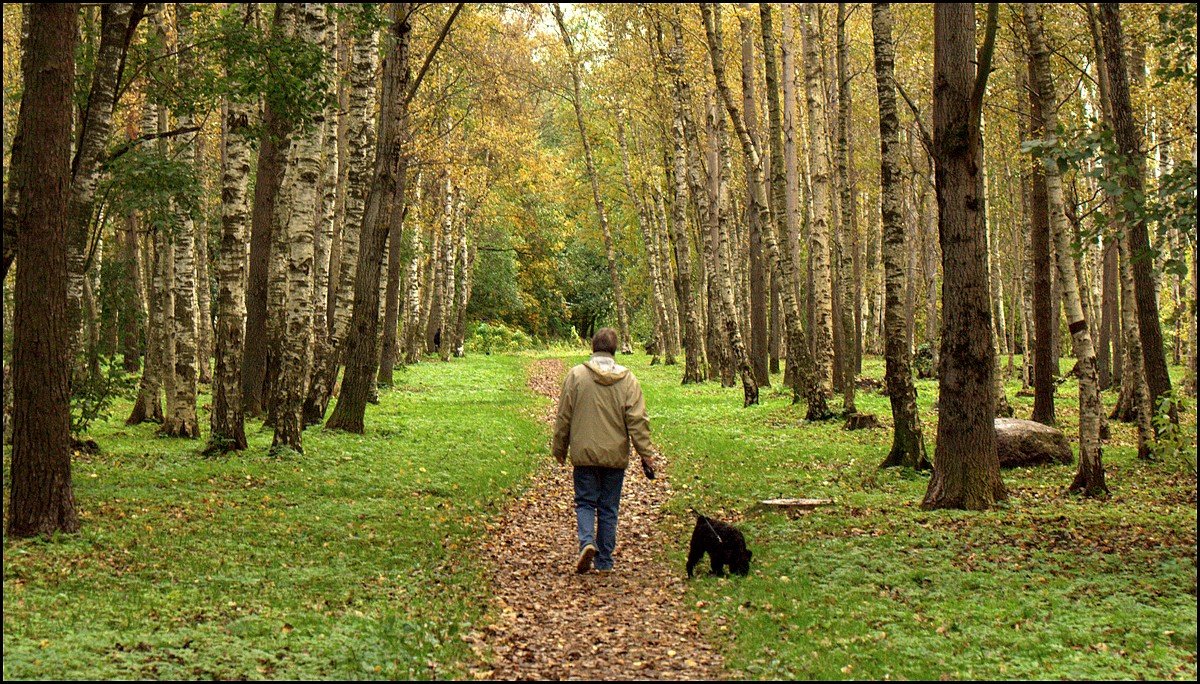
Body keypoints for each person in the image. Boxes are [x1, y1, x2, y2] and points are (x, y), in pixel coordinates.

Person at [552, 328, 658, 574]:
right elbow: (637, 420)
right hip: (614, 455)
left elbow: (563, 416)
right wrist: (646, 454)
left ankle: (587, 542)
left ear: (593, 347)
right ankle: (605, 560)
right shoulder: (628, 380)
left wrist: (560, 447)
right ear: (614, 349)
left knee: (586, 502)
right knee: (609, 508)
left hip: (585, 452)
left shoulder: (576, 376)